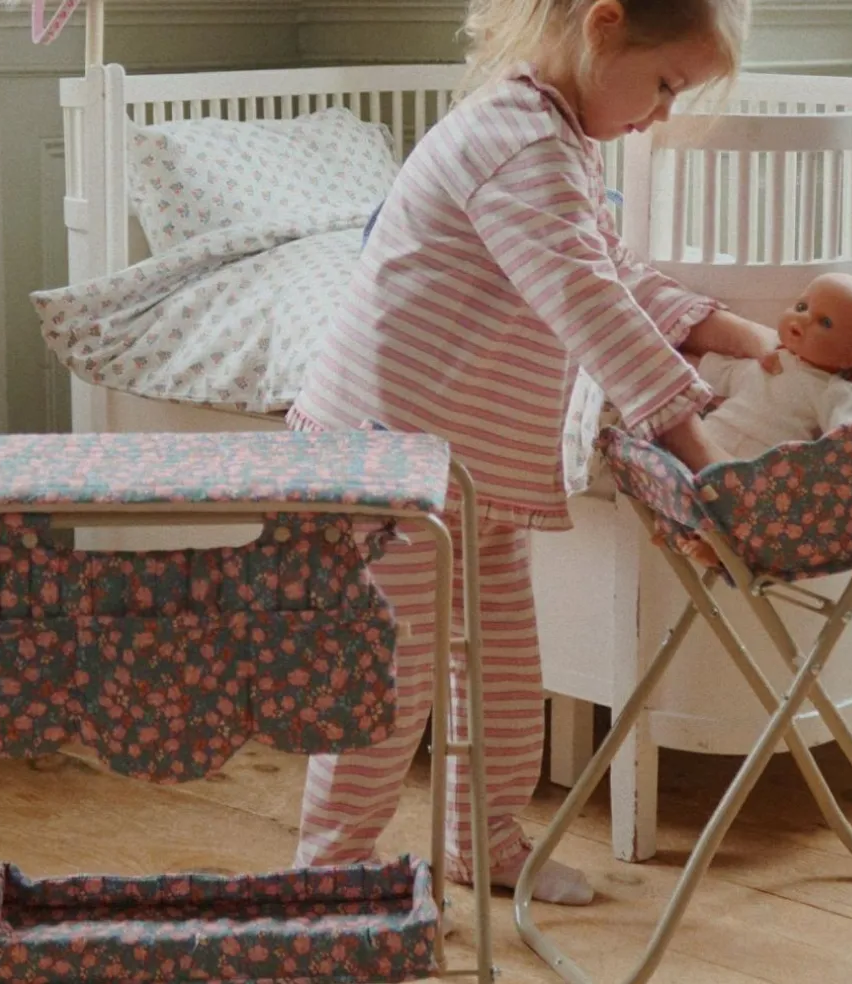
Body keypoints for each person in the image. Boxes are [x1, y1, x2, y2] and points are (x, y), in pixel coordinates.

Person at [287, 0, 774, 907]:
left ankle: (486, 842)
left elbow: (609, 269)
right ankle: (329, 874)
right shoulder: (515, 142)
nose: (662, 113)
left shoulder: (561, 140)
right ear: (603, 26)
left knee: (505, 673)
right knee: (387, 684)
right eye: (664, 84)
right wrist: (700, 454)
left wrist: (727, 330)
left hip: (473, 468)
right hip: (390, 458)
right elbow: (588, 303)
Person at [689, 273, 852, 461]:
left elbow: (846, 428)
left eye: (825, 322)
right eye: (802, 307)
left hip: (762, 463)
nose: (803, 318)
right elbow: (719, 371)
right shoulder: (767, 359)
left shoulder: (831, 390)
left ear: (848, 358)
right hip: (710, 437)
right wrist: (683, 363)